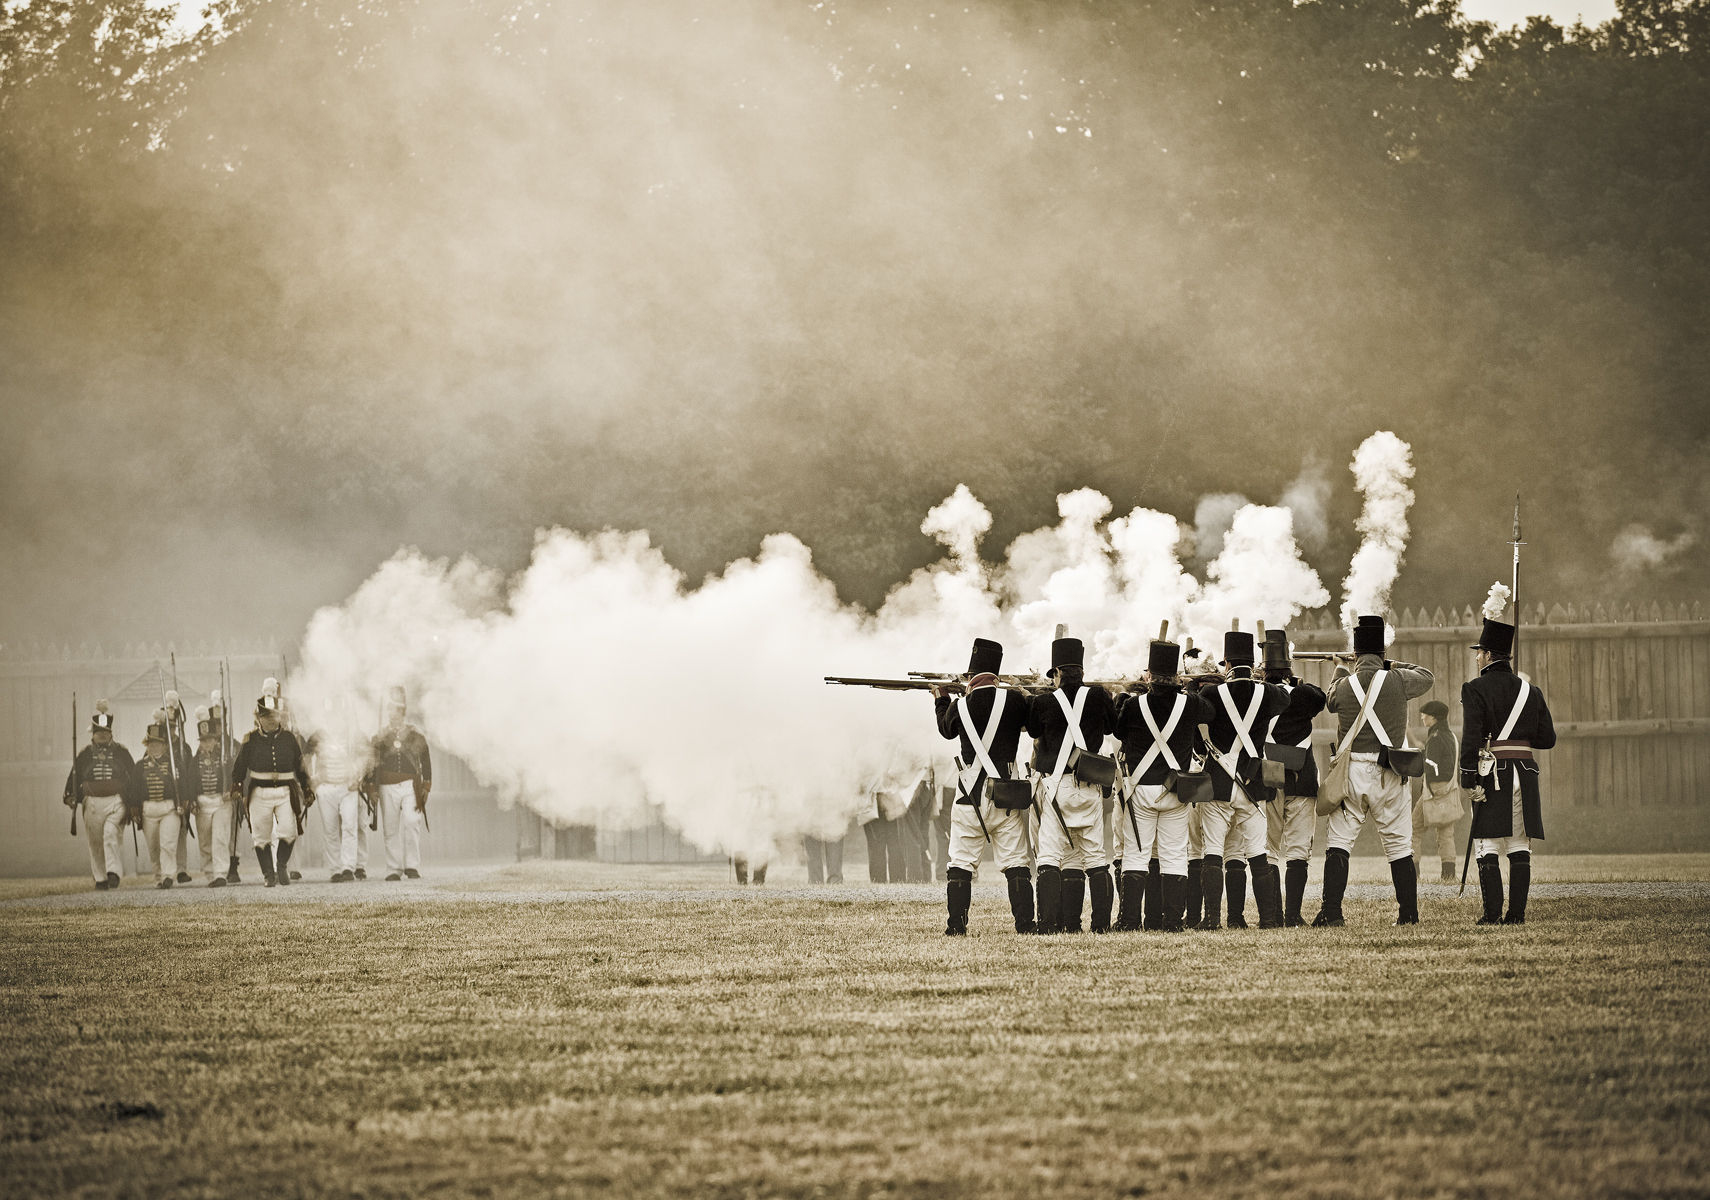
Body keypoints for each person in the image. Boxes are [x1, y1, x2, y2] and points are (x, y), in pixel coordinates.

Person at [1313, 615, 1435, 927]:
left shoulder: (1344, 684)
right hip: (1390, 771)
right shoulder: (1398, 679)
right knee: (1399, 846)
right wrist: (1390, 664)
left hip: (1350, 772)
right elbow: (1426, 676)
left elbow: (1330, 699)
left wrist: (1341, 668)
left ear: (1355, 653)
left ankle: (1332, 913)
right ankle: (1408, 914)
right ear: (1382, 652)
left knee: (1339, 843)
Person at [934, 637, 1035, 935]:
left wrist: (941, 698)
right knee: (1016, 862)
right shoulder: (1014, 701)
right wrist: (1024, 691)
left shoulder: (960, 705)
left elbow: (946, 730)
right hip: (1006, 796)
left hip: (969, 796)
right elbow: (1031, 722)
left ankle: (956, 926)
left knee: (961, 862)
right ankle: (1025, 924)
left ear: (971, 676)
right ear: (996, 675)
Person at [1461, 614, 1556, 925]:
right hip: (1524, 773)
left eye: (1479, 653)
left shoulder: (1475, 688)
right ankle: (1516, 915)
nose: (1477, 658)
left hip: (1492, 774)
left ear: (1489, 655)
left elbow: (1471, 737)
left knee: (1486, 842)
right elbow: (1547, 738)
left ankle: (1491, 915)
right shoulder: (1531, 691)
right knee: (1518, 845)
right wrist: (1518, 737)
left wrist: (1468, 777)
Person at [1112, 638, 1212, 932]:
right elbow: (1210, 712)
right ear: (1176, 677)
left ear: (1149, 676)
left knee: (1135, 855)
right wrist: (1188, 688)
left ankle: (1129, 921)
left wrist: (1125, 695)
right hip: (1175, 790)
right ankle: (1172, 922)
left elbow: (1118, 731)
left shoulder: (1133, 705)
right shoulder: (1190, 703)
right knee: (1174, 856)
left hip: (1140, 788)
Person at [1028, 636, 1118, 934]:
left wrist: (1035, 696)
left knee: (1049, 856)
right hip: (1090, 786)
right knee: (1095, 857)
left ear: (1057, 673)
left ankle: (1048, 924)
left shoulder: (1043, 701)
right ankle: (1101, 925)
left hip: (1057, 787)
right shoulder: (1098, 696)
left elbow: (1033, 730)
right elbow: (1111, 726)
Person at [1199, 630, 1290, 929]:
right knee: (1258, 854)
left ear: (1226, 664)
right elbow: (1285, 696)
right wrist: (1263, 678)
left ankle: (1212, 919)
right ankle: (1268, 919)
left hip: (1219, 782)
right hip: (1253, 783)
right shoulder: (1270, 693)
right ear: (1252, 665)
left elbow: (1198, 722)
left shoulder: (1211, 694)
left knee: (1213, 852)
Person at [1258, 629, 1327, 927]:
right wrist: (1294, 681)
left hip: (1268, 776)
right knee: (1299, 850)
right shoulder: (1303, 695)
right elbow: (1320, 697)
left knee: (1269, 849)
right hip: (1302, 777)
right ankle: (1293, 915)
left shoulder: (1259, 694)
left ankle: (1274, 915)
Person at [232, 686, 313, 886]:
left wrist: (307, 787)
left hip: (285, 791)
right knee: (261, 836)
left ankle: (282, 865)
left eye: (273, 716)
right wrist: (237, 786)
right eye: (265, 716)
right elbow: (239, 766)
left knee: (289, 831)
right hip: (259, 792)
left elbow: (300, 766)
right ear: (258, 718)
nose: (270, 720)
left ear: (279, 716)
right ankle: (269, 874)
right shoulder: (249, 740)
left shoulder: (289, 738)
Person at [63, 700, 134, 890]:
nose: (102, 735)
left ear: (111, 733)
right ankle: (100, 878)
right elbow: (74, 775)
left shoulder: (122, 752)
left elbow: (132, 776)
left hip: (116, 801)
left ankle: (113, 872)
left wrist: (134, 802)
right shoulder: (84, 754)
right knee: (95, 842)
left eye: (105, 731)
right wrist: (70, 794)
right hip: (92, 802)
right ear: (93, 734)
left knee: (110, 834)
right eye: (98, 732)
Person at [366, 686, 432, 881]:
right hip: (387, 786)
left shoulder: (415, 734)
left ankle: (412, 865)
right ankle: (393, 869)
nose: (392, 714)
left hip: (411, 785)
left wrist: (426, 785)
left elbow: (425, 760)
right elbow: (371, 764)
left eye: (396, 710)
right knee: (391, 827)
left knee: (412, 822)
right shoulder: (379, 737)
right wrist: (371, 787)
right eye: (390, 710)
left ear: (403, 712)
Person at [129, 709, 195, 888]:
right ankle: (158, 876)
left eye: (158, 744)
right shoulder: (139, 766)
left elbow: (184, 786)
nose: (155, 747)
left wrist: (184, 803)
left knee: (168, 844)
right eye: (151, 744)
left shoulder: (175, 765)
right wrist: (134, 809)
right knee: (153, 847)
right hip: (148, 810)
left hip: (169, 809)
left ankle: (168, 876)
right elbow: (134, 791)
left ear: (165, 746)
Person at [307, 700, 369, 883]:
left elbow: (366, 756)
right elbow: (305, 756)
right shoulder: (319, 735)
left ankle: (348, 867)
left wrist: (359, 777)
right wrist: (313, 778)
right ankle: (335, 869)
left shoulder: (353, 735)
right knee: (331, 830)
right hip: (326, 788)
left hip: (348, 787)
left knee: (349, 826)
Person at [188, 702, 241, 886]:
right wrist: (192, 801)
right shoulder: (194, 761)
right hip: (203, 803)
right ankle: (210, 873)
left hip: (221, 802)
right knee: (205, 841)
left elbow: (235, 774)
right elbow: (190, 783)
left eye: (210, 740)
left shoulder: (225, 757)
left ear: (215, 740)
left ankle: (220, 874)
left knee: (220, 837)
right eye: (203, 741)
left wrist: (231, 789)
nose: (207, 744)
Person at [1414, 700, 1462, 884]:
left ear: (1433, 717)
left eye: (1424, 715)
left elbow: (1432, 766)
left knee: (1414, 828)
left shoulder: (1435, 738)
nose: (1422, 717)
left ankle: (1413, 873)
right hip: (1450, 789)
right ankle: (1448, 875)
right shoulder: (1451, 736)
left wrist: (1421, 757)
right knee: (1446, 833)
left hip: (1434, 790)